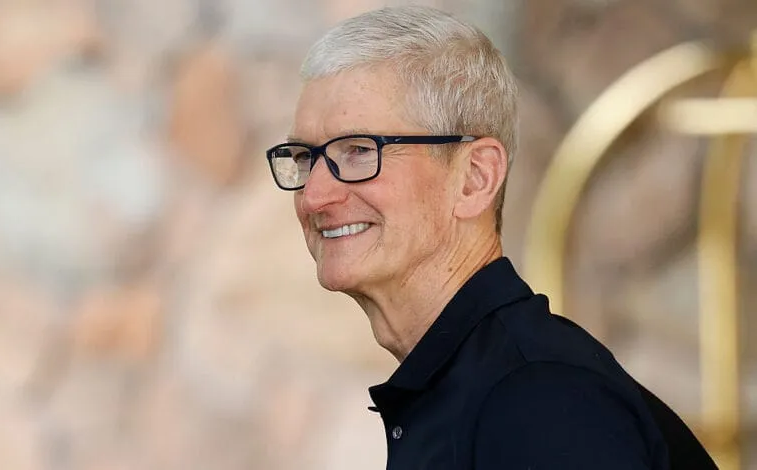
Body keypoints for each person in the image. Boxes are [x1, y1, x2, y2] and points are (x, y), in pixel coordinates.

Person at [265, 5, 716, 469]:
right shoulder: (480, 389)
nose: (314, 195)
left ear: (475, 178)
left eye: (358, 151)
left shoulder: (541, 403)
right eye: (304, 157)